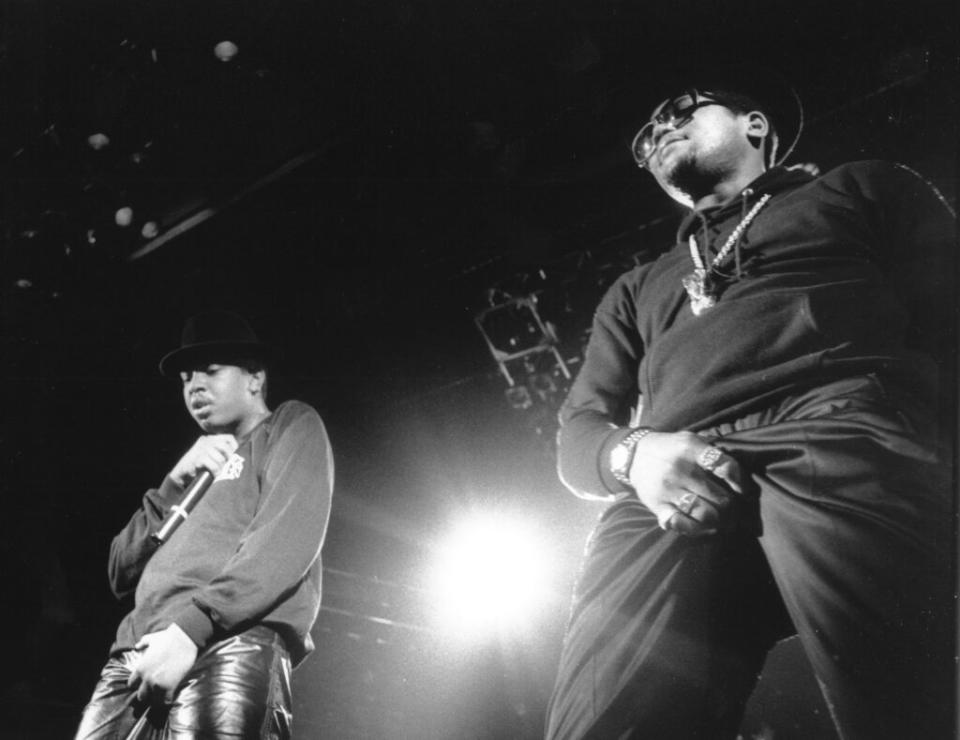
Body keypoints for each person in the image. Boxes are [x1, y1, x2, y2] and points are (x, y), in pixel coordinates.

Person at [544, 69, 956, 740]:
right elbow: (578, 432)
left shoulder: (862, 187)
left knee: (899, 704)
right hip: (670, 479)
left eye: (681, 110)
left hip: (841, 423)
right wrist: (634, 455)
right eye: (647, 137)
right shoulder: (636, 287)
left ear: (755, 125)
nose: (660, 132)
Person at [75, 310, 334, 739]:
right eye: (185, 379)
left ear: (255, 378)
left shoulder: (289, 425)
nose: (194, 386)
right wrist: (172, 483)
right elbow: (119, 569)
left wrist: (191, 629)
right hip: (136, 655)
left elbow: (283, 544)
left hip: (225, 641)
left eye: (210, 372)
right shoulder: (196, 472)